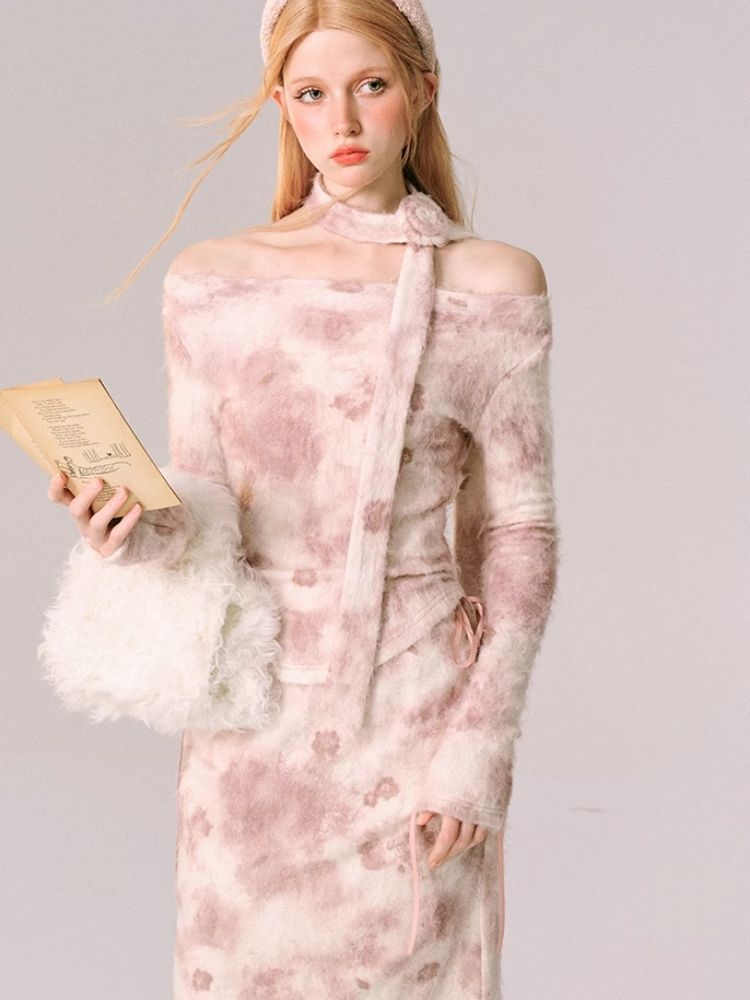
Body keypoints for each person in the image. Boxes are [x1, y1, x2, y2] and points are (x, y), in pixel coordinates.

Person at [46, 1, 559, 995]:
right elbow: (203, 512)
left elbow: (518, 534)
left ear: (422, 91)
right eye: (313, 93)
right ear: (282, 104)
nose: (344, 122)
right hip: (250, 729)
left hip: (413, 717)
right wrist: (130, 529)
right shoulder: (214, 281)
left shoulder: (492, 285)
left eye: (371, 86)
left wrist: (479, 751)